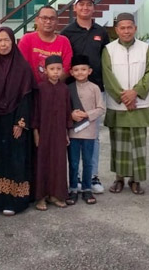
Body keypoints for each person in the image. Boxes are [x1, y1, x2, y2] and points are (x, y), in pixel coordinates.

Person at [0, 27, 35, 216]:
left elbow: (26, 96)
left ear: (13, 42)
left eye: (7, 41)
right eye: (0, 41)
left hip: (14, 119)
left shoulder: (22, 67)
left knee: (13, 159)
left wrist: (20, 123)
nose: (3, 44)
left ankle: (12, 201)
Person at [61, 0, 110, 194]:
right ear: (75, 8)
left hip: (95, 89)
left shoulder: (101, 31)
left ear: (93, 8)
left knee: (93, 136)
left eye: (89, 4)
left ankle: (92, 175)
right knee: (74, 135)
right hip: (72, 91)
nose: (85, 8)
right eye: (81, 4)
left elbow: (106, 60)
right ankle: (75, 177)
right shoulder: (67, 32)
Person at [102, 12, 149, 195]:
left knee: (138, 145)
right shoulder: (108, 49)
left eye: (129, 27)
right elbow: (108, 76)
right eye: (122, 28)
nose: (126, 31)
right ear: (116, 30)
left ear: (135, 28)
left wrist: (135, 93)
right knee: (118, 144)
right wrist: (123, 97)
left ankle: (135, 180)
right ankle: (119, 179)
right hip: (118, 106)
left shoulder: (145, 48)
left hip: (138, 104)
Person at [34, 55, 72, 211]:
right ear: (46, 70)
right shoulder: (40, 88)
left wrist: (66, 133)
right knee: (43, 163)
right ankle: (41, 197)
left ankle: (55, 194)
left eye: (58, 69)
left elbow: (67, 112)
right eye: (52, 69)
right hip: (44, 131)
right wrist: (36, 134)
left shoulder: (64, 89)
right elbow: (35, 112)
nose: (55, 72)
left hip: (58, 132)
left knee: (58, 163)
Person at [66, 55, 105, 205]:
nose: (80, 72)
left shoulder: (95, 88)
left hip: (89, 131)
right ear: (71, 72)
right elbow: (64, 108)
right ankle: (73, 188)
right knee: (74, 162)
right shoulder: (68, 89)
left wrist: (87, 114)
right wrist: (71, 115)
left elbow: (101, 108)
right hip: (73, 132)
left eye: (83, 69)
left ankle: (87, 189)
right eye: (76, 70)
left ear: (90, 71)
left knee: (88, 161)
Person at [18, 5, 73, 84]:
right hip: (32, 89)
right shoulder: (27, 39)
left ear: (57, 21)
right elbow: (21, 66)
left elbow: (67, 68)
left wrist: (49, 86)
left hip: (56, 89)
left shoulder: (64, 41)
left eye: (52, 18)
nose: (48, 22)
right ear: (36, 20)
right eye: (44, 18)